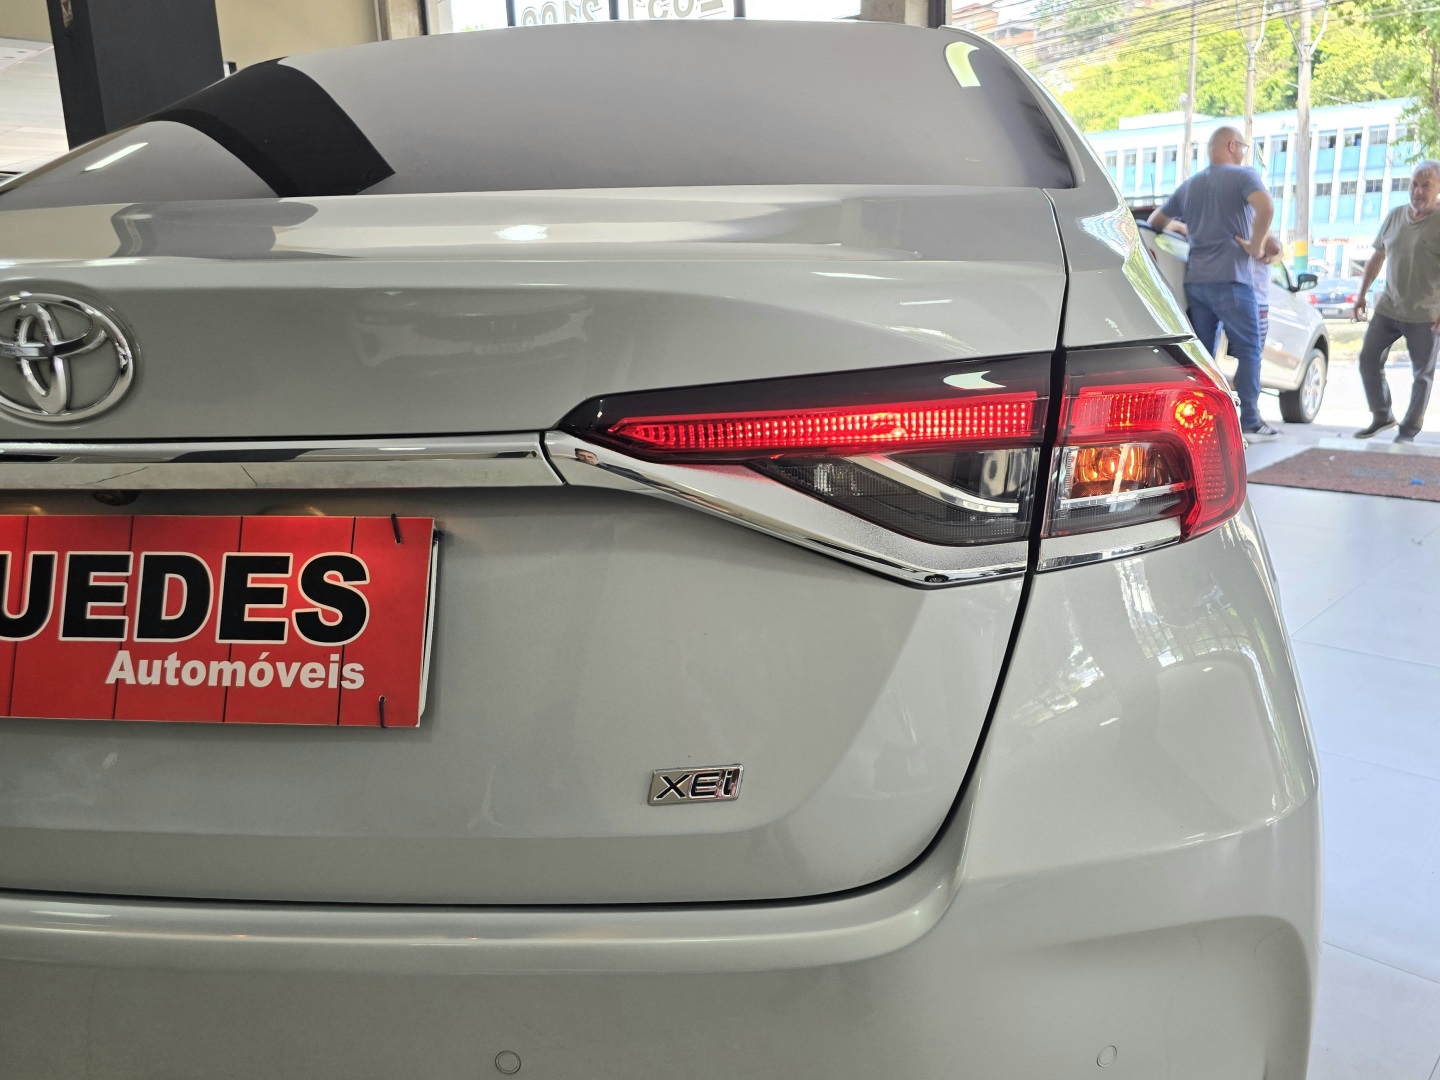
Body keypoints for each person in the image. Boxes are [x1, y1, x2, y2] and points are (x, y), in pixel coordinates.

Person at [1149, 126, 1278, 438]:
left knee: (1202, 356)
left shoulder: (1190, 185)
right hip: (1232, 280)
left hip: (1196, 282)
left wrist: (1183, 229)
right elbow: (1266, 207)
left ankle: (1198, 421)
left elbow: (1155, 222)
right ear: (1232, 145)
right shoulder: (1243, 176)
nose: (1243, 153)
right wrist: (1255, 246)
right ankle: (1250, 419)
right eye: (1243, 147)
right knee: (1249, 350)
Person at [1352, 160, 1440, 443]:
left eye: (1426, 185)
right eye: (1414, 183)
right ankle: (1382, 415)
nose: (1418, 190)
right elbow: (1378, 257)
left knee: (1422, 375)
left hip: (1425, 313)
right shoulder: (1395, 216)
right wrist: (1361, 294)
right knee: (1368, 360)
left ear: (1438, 189)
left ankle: (1408, 431)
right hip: (1388, 307)